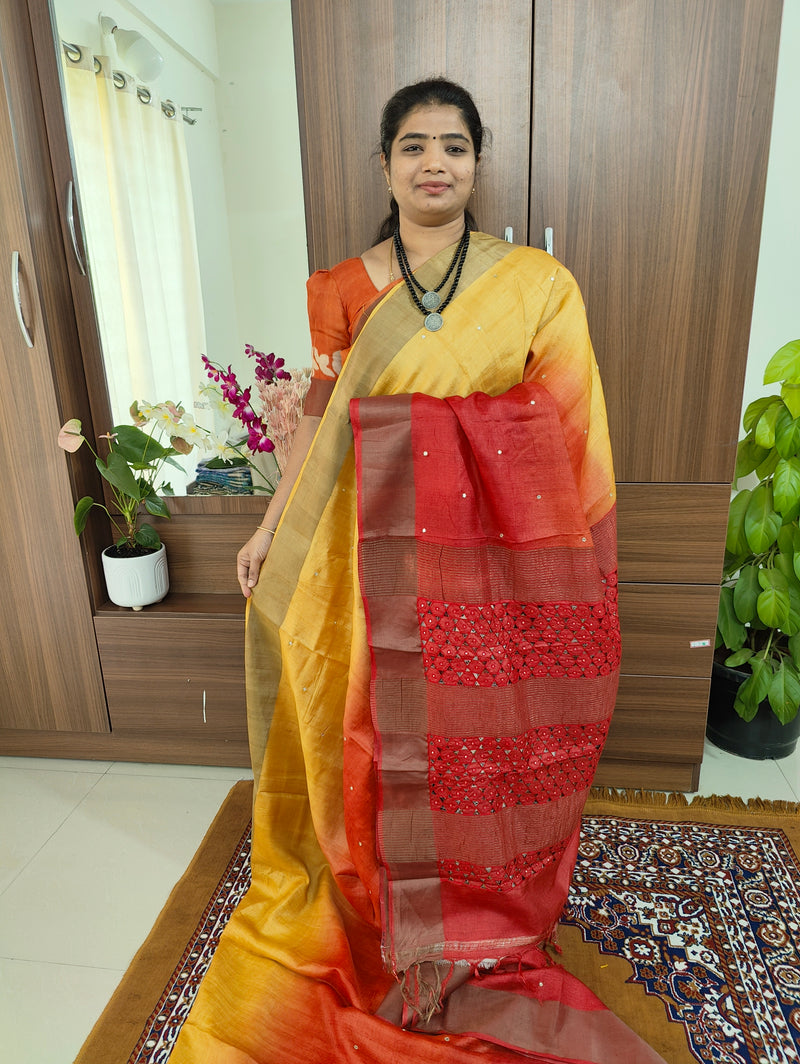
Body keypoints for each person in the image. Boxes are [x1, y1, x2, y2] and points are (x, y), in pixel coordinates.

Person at [172, 78, 665, 1063]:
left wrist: (429, 438)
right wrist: (273, 525)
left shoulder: (532, 283)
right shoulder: (344, 287)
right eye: (412, 145)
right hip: (365, 563)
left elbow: (559, 417)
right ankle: (375, 891)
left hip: (487, 575)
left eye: (452, 145)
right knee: (372, 737)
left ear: (476, 160)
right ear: (385, 163)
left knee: (468, 747)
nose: (434, 162)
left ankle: (474, 903)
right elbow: (319, 426)